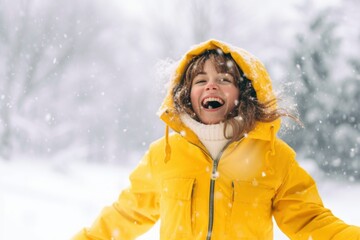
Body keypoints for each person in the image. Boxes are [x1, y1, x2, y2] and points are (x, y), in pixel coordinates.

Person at [73, 39, 360, 240]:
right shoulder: (164, 155)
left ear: (243, 93)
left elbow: (309, 220)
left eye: (224, 79)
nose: (211, 84)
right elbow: (126, 215)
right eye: (200, 80)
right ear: (187, 96)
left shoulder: (273, 156)